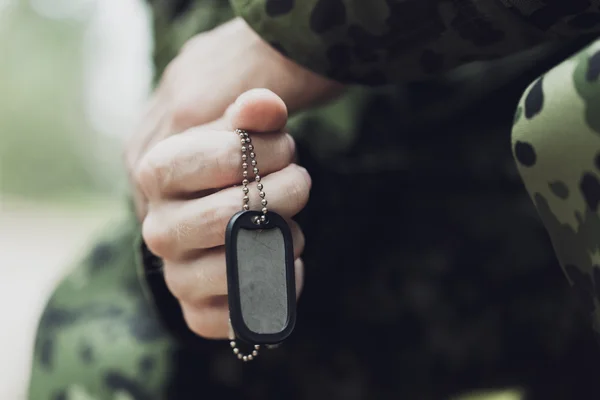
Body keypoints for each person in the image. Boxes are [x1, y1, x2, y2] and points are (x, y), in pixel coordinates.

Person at [27, 0, 600, 399]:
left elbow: (254, 47)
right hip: (438, 161)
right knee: (106, 326)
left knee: (569, 120)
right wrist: (202, 188)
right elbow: (198, 55)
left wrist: (296, 33)